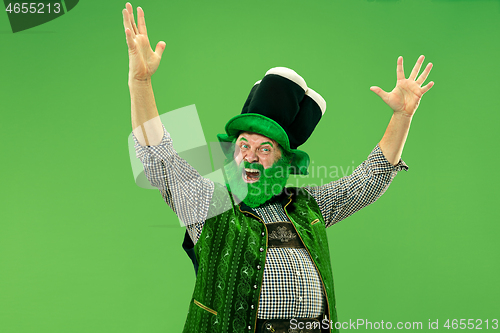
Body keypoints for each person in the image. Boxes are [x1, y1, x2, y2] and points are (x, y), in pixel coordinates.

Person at [122, 3, 434, 333]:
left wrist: (402, 116)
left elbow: (366, 180)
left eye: (264, 148)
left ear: (283, 160)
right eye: (244, 145)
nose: (251, 156)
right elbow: (160, 157)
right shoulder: (207, 203)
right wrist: (141, 82)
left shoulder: (307, 207)